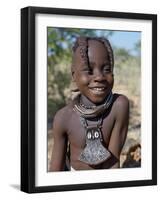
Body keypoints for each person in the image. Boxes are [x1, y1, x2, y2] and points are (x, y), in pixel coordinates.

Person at [49, 36, 129, 171]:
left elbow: (113, 165)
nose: (99, 77)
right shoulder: (63, 117)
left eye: (107, 69)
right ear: (74, 76)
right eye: (89, 70)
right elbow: (55, 170)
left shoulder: (119, 106)